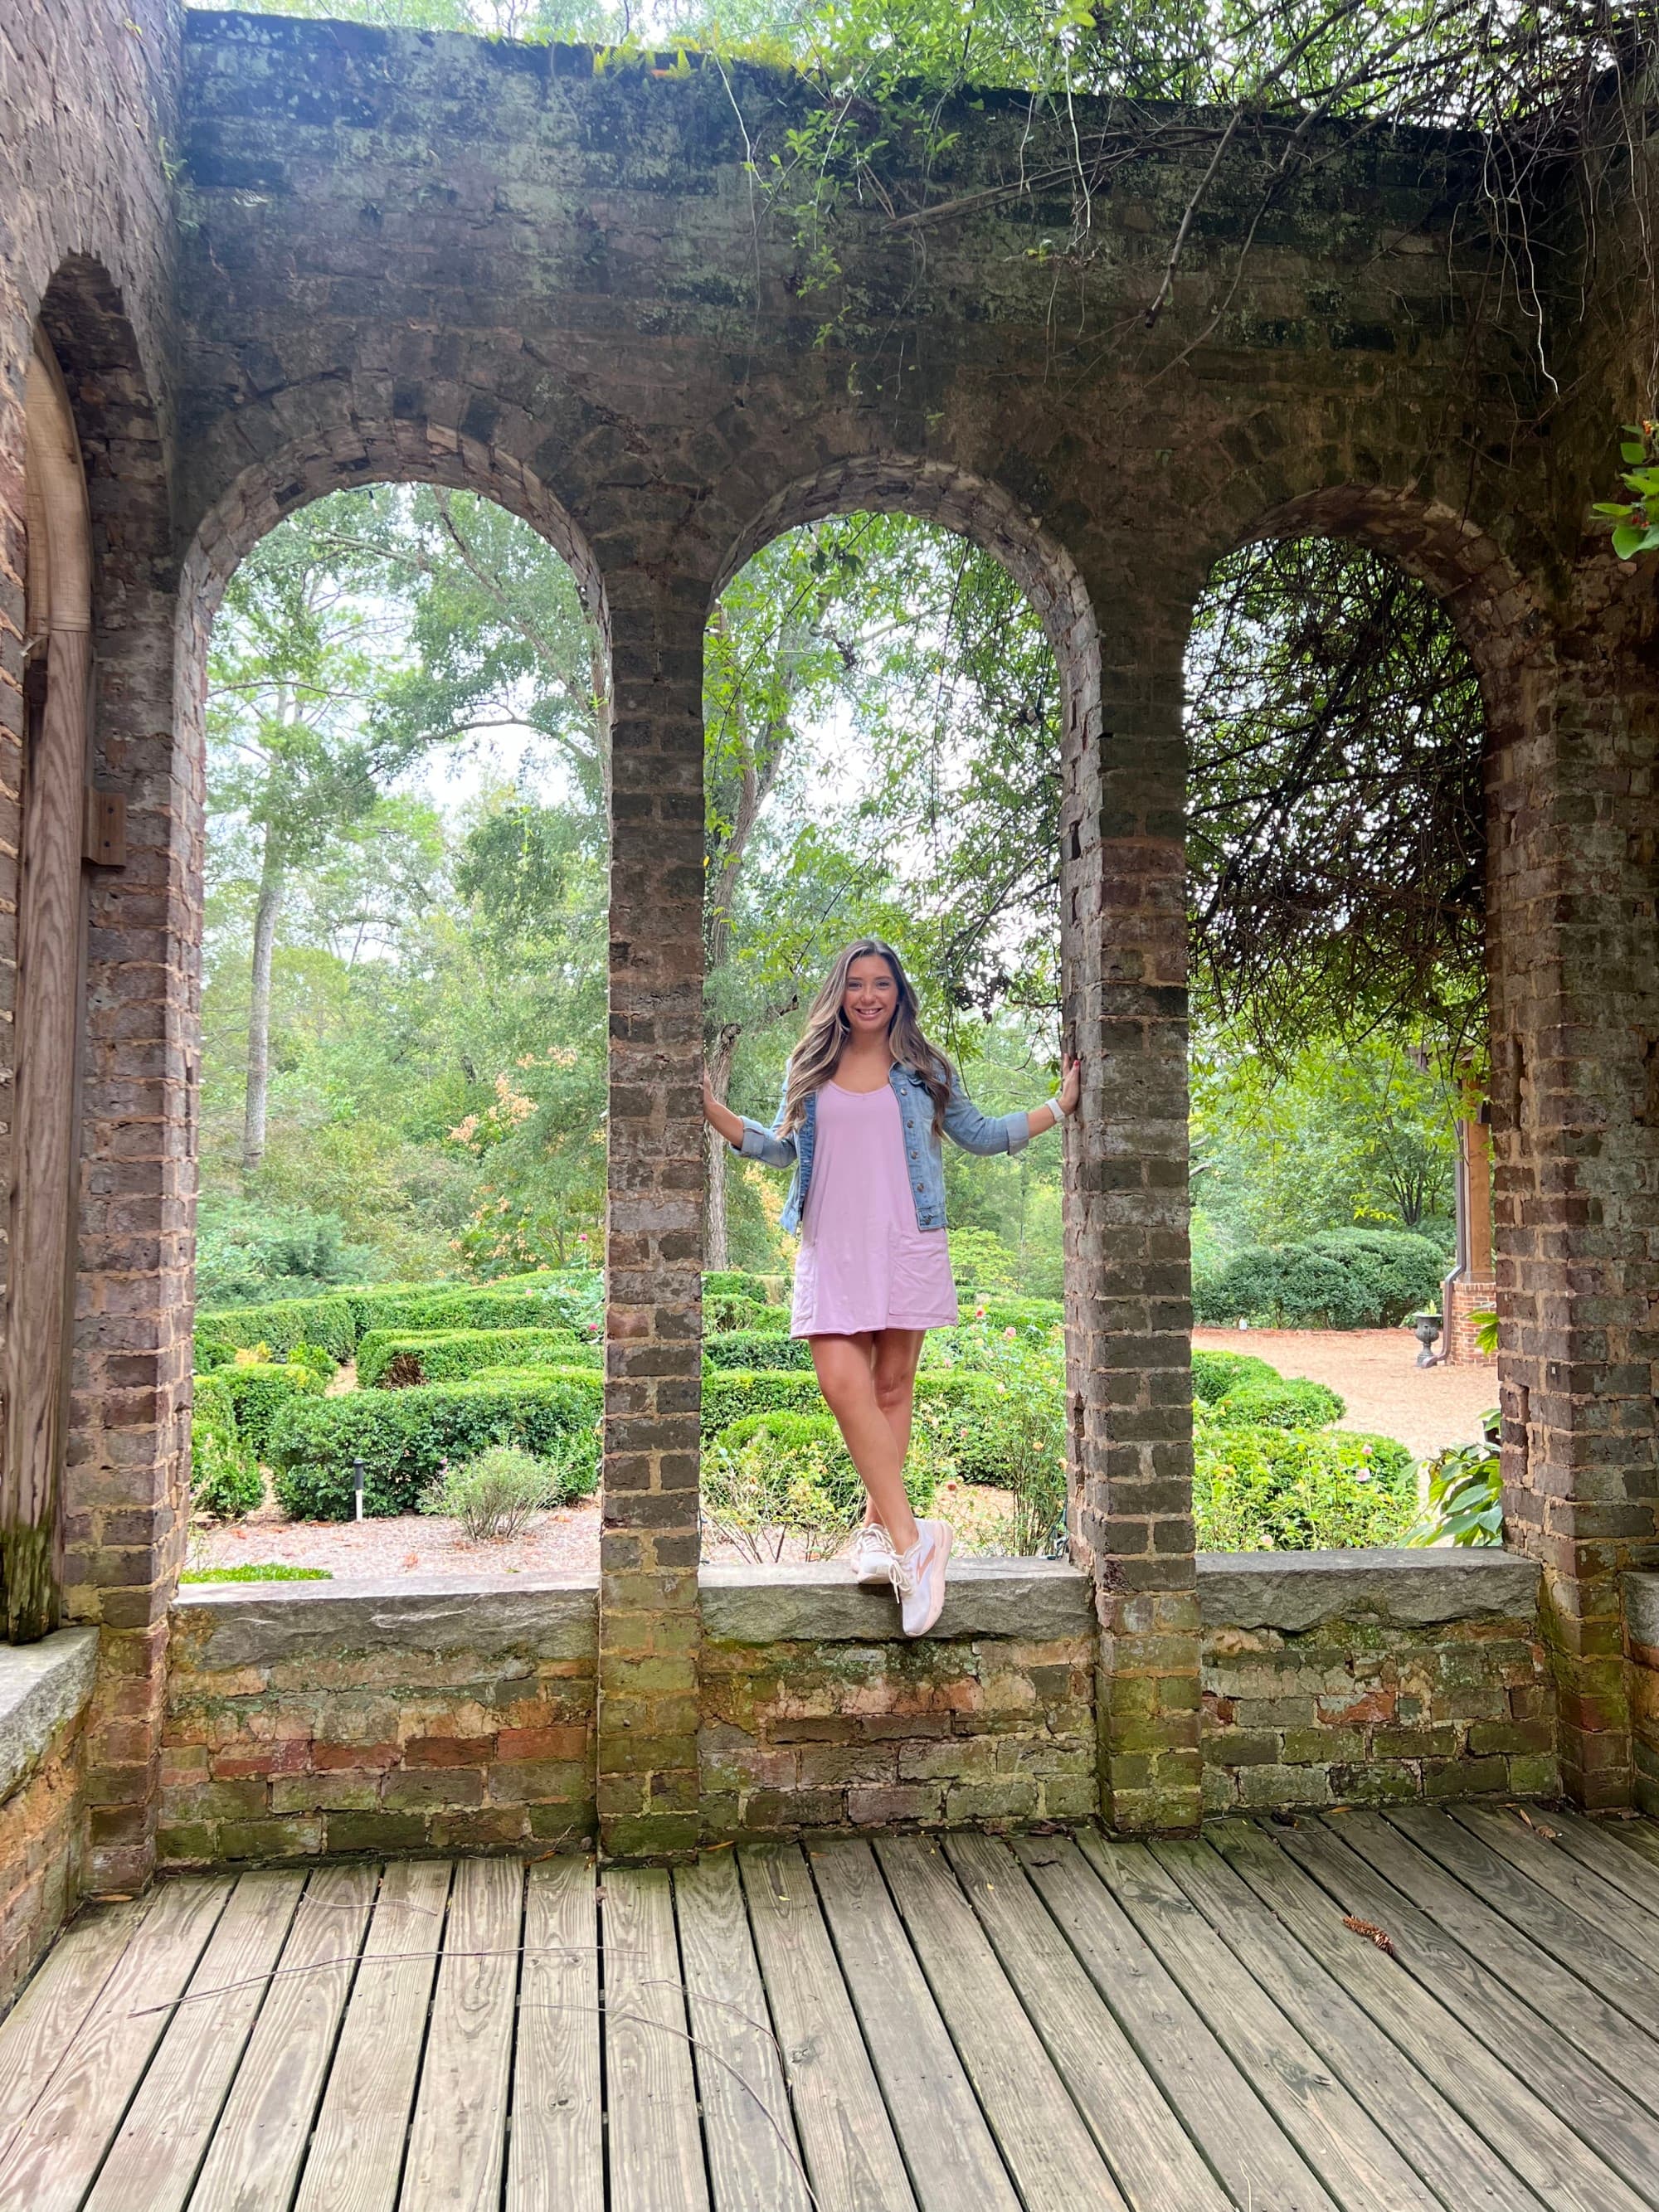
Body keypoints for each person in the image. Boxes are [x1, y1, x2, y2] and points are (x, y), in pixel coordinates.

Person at [702, 937, 1080, 1637]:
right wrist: (717, 1114)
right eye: (855, 983)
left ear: (899, 994)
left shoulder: (925, 1068)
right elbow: (784, 1149)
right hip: (829, 1242)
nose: (869, 995)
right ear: (839, 993)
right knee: (842, 1383)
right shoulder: (810, 1064)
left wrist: (1057, 1108)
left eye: (881, 983)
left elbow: (981, 1133)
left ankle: (878, 1536)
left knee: (891, 1389)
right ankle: (917, 1541)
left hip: (907, 1239)